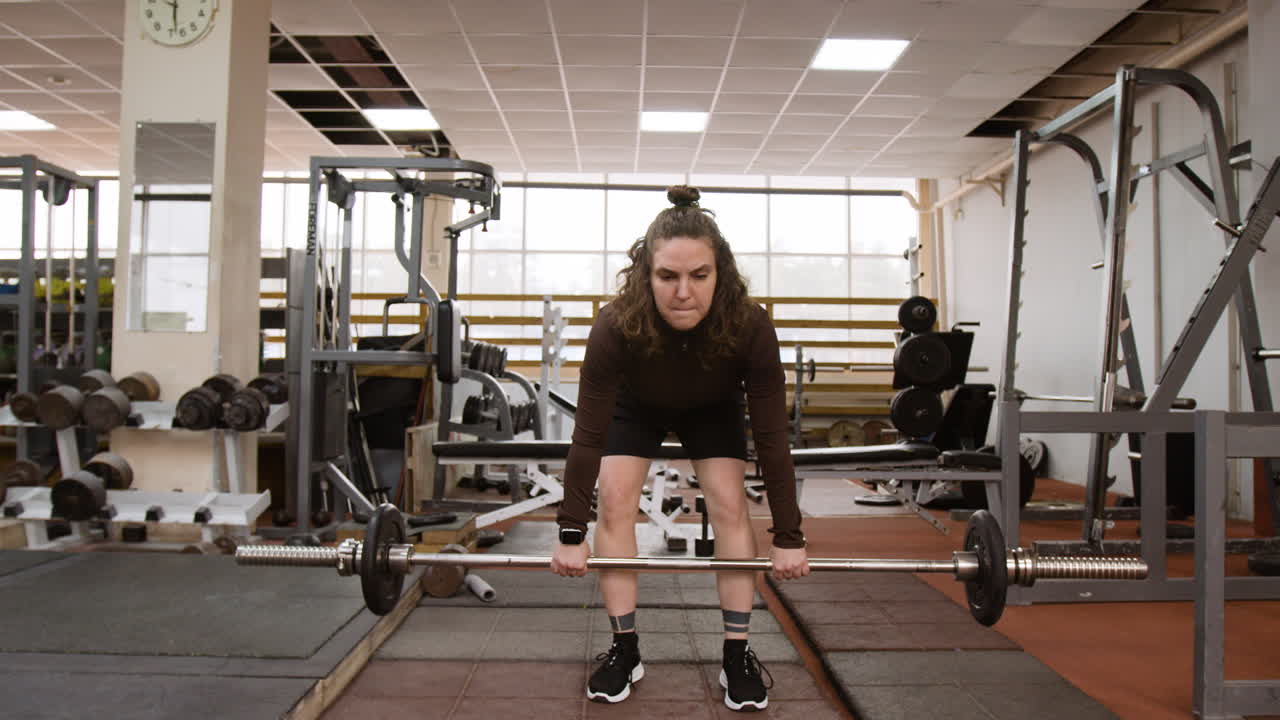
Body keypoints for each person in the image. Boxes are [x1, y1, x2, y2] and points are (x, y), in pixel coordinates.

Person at [549, 185, 810, 711]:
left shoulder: (750, 325)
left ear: (722, 273)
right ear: (647, 274)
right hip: (636, 405)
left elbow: (773, 438)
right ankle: (625, 648)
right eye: (668, 276)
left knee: (729, 502)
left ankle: (736, 654)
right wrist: (571, 530)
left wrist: (789, 534)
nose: (683, 292)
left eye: (699, 275)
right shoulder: (615, 324)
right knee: (617, 499)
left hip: (712, 406)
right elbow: (588, 437)